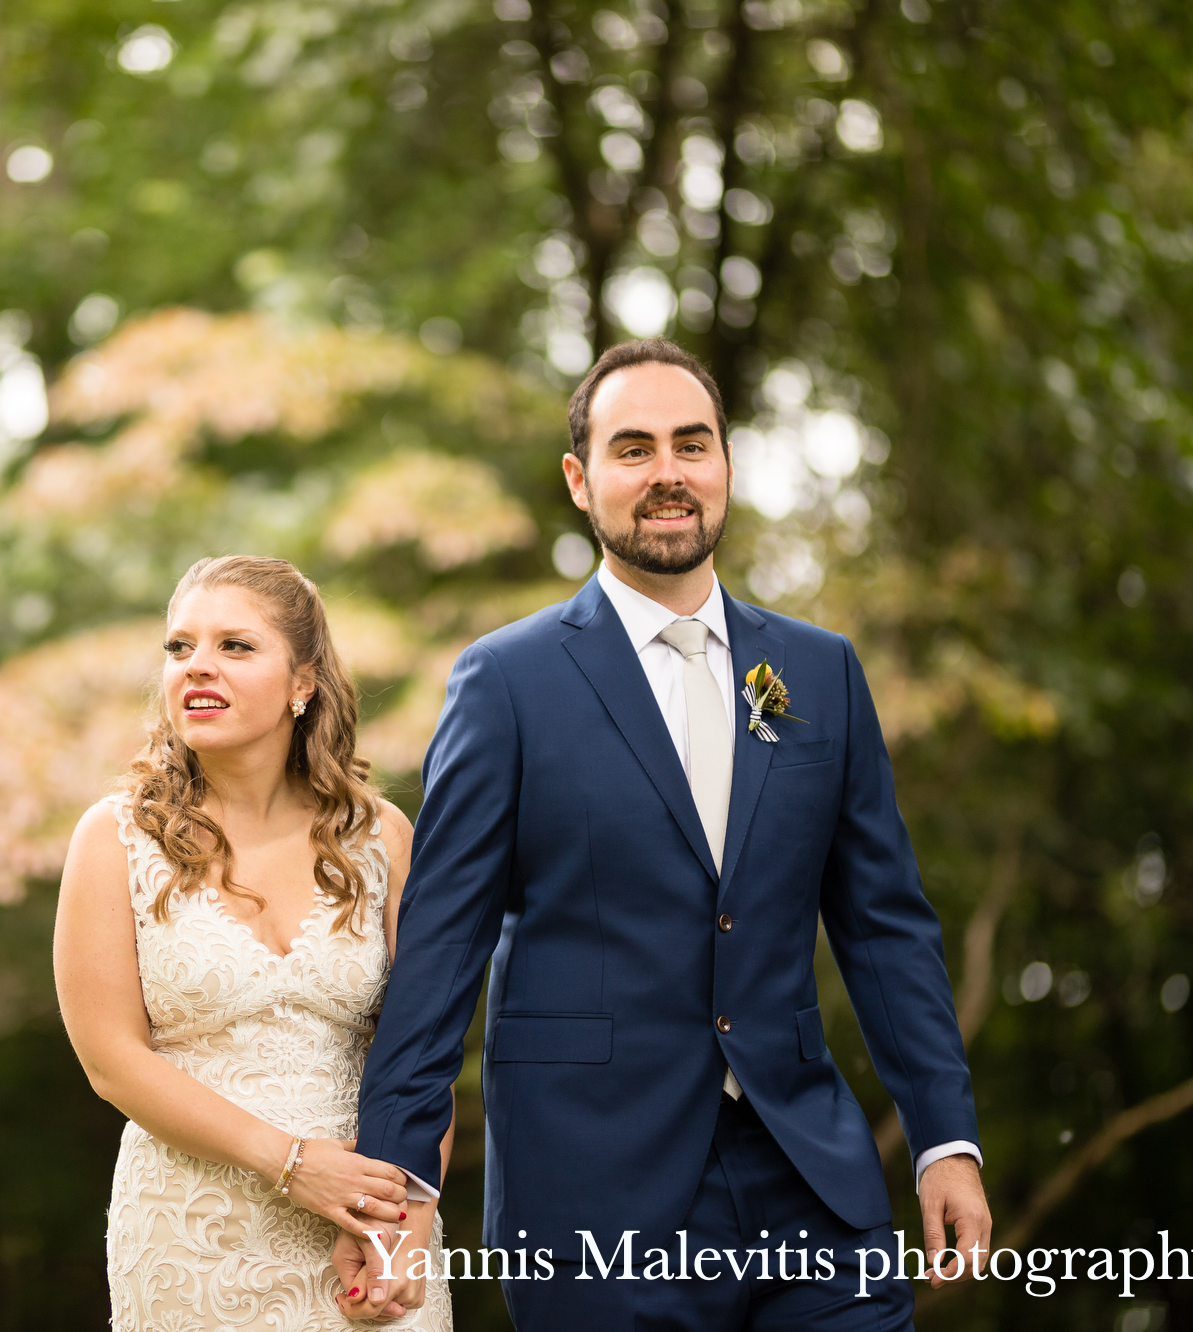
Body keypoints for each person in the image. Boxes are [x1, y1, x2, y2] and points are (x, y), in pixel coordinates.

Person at [346, 339, 991, 1329]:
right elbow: (441, 946)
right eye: (632, 448)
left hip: (808, 1183)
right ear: (579, 479)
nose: (666, 474)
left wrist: (945, 1137)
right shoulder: (505, 684)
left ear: (725, 464)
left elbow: (881, 927)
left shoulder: (817, 677)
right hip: (591, 1200)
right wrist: (395, 1177)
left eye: (690, 445)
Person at [56, 555, 454, 1330]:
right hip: (189, 1237)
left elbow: (421, 1051)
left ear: (304, 682)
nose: (197, 667)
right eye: (180, 648)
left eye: (235, 646)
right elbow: (110, 1060)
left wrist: (408, 1221)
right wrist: (292, 1164)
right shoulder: (113, 838)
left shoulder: (381, 840)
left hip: (368, 1230)